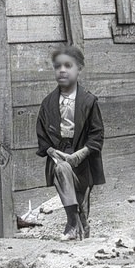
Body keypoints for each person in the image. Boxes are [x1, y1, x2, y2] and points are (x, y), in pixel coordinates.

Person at [36, 43, 105, 240]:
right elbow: (41, 136)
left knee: (82, 198)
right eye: (58, 67)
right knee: (61, 170)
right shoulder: (47, 103)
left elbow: (97, 134)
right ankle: (72, 223)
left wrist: (80, 154)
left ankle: (81, 221)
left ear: (79, 69)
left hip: (84, 158)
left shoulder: (89, 102)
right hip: (59, 155)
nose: (62, 71)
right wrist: (52, 152)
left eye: (68, 66)